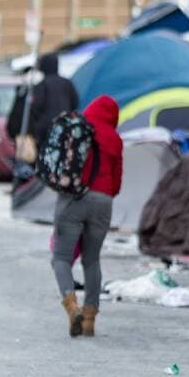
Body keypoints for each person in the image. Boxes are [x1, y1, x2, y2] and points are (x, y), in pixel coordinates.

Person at [50, 96, 123, 338]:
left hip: (73, 198)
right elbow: (117, 182)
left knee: (60, 257)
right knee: (92, 260)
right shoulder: (114, 138)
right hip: (103, 201)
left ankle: (72, 307)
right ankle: (90, 319)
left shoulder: (78, 130)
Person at [7, 51, 80, 167]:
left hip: (46, 129)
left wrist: (37, 123)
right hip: (65, 126)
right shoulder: (67, 83)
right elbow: (75, 102)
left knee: (46, 159)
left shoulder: (42, 85)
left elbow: (35, 107)